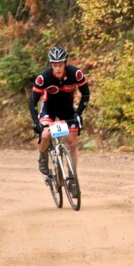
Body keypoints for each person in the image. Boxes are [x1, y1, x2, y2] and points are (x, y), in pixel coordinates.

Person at [29, 46, 90, 179]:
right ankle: (43, 157)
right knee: (45, 134)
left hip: (67, 110)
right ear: (51, 65)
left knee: (72, 144)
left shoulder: (75, 74)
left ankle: (72, 178)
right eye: (55, 65)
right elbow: (33, 100)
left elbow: (85, 94)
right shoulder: (43, 78)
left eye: (60, 65)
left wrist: (78, 114)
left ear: (65, 64)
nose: (58, 68)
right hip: (49, 109)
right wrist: (35, 122)